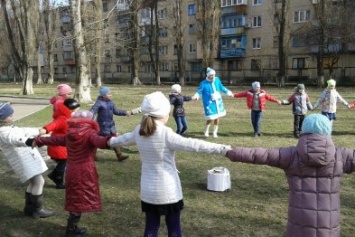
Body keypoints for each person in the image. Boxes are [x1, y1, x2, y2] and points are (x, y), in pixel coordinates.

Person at [109, 91, 231, 237]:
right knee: (174, 230)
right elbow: (193, 144)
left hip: (148, 192)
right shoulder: (166, 133)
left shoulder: (138, 131)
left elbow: (119, 140)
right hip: (169, 192)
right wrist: (222, 149)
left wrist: (105, 141)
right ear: (164, 114)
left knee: (150, 229)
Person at [225, 114, 355, 237]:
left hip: (299, 219)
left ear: (304, 129)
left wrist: (230, 152)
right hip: (329, 222)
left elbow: (259, 154)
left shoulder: (291, 155)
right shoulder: (342, 156)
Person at [31, 110, 112, 237]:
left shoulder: (70, 133)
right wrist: (110, 140)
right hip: (85, 170)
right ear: (89, 121)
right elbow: (99, 141)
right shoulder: (89, 133)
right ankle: (71, 230)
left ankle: (72, 228)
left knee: (76, 198)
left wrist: (39, 140)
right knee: (78, 200)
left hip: (72, 169)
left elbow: (55, 139)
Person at [0, 103, 54, 218]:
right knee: (39, 182)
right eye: (10, 115)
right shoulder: (3, 132)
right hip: (23, 162)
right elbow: (15, 139)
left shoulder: (9, 127)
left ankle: (29, 209)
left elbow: (24, 131)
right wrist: (29, 141)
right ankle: (37, 210)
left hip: (28, 159)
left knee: (34, 182)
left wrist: (39, 131)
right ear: (2, 118)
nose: (12, 117)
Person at [39, 98, 80, 189]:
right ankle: (58, 180)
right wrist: (45, 129)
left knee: (64, 162)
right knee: (63, 162)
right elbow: (55, 124)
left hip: (63, 145)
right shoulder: (63, 118)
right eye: (76, 110)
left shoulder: (70, 118)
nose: (78, 111)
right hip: (58, 145)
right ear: (70, 109)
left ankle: (55, 176)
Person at [90, 86, 135, 161]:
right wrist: (88, 118)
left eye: (111, 93)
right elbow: (92, 111)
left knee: (115, 140)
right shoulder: (99, 103)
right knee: (97, 141)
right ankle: (92, 155)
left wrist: (125, 112)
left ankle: (119, 156)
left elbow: (116, 111)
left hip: (111, 126)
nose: (111, 95)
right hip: (102, 126)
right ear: (103, 95)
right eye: (109, 94)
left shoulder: (111, 102)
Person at [191, 67, 233, 138]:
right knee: (210, 117)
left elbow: (222, 88)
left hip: (218, 101)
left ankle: (215, 132)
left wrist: (229, 93)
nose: (212, 77)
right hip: (209, 103)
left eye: (213, 75)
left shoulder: (217, 80)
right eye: (210, 75)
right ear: (207, 75)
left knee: (217, 116)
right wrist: (196, 96)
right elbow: (199, 91)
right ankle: (206, 130)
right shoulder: (203, 83)